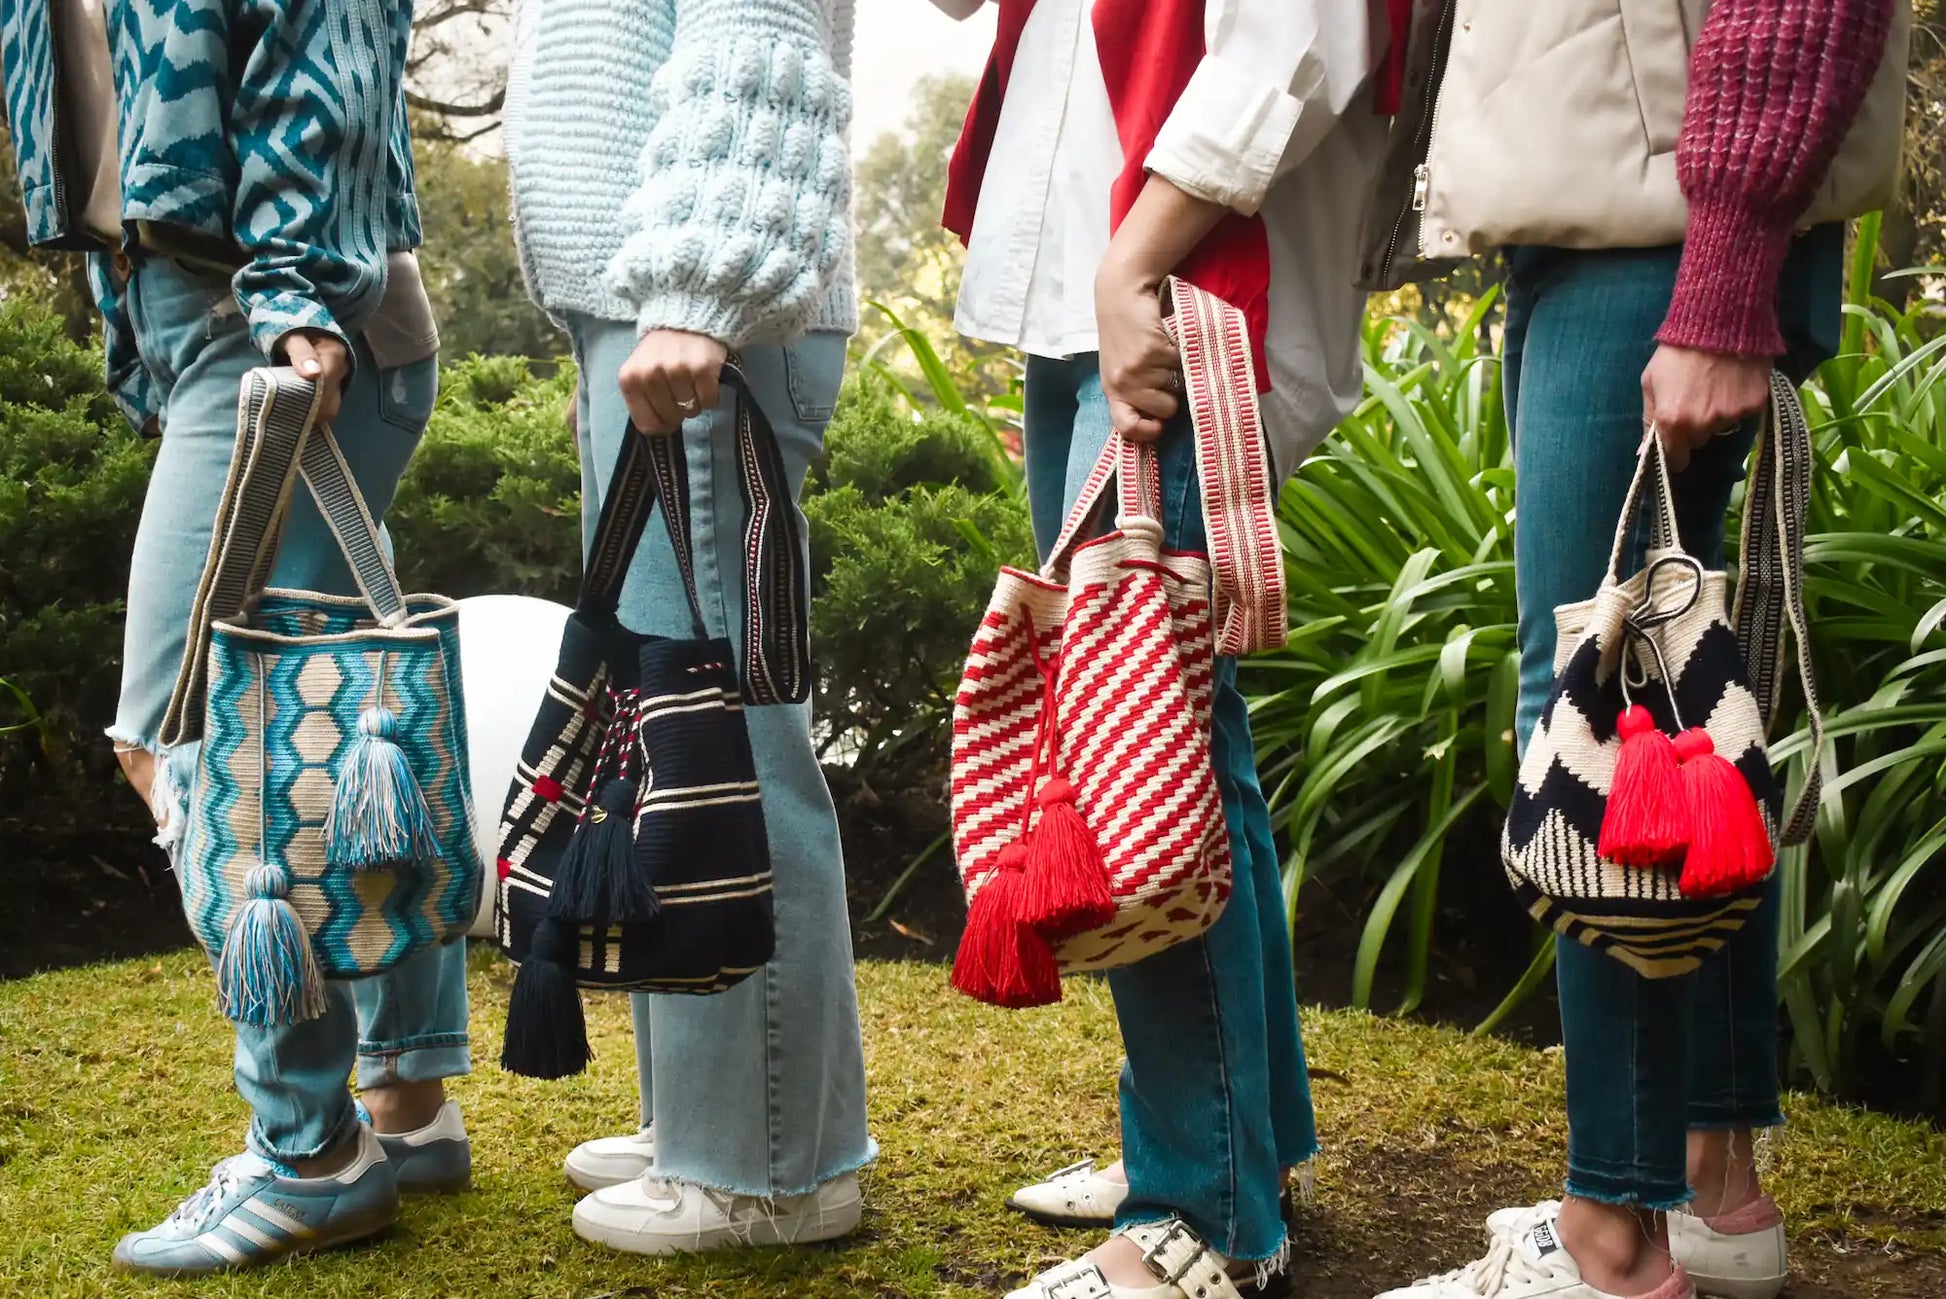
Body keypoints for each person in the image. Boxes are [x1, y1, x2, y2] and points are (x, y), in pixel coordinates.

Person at [1366, 2, 1904, 1298]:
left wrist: (1720, 276)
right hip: (1623, 204)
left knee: (1594, 721)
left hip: (1658, 224)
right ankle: (1708, 1183)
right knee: (1672, 720)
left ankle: (1611, 1230)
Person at [0, 0, 468, 1274]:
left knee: (186, 735)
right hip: (218, 319)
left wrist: (295, 291)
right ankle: (407, 1106)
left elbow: (334, 48)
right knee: (330, 712)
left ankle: (307, 1157)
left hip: (281, 323)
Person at [931, 0, 1386, 1294]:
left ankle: (1203, 1209)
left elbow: (1298, 33)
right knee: (1183, 724)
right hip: (1086, 275)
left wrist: (1137, 259)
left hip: (1174, 268)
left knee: (1143, 729)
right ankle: (1242, 1147)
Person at [504, 0, 875, 1255]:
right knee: (674, 740)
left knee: (723, 743)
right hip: (658, 301)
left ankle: (768, 1166)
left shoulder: (693, 300)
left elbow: (756, 17)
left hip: (695, 311)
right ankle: (702, 1121)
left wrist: (697, 287)